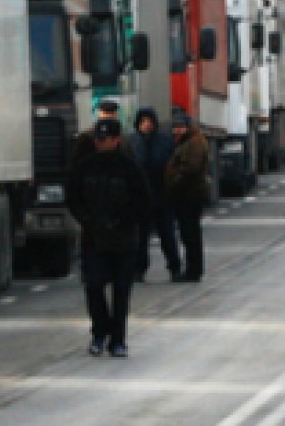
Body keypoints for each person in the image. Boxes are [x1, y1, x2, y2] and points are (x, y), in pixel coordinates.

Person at [66, 117, 152, 357]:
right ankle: (99, 332)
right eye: (98, 139)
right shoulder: (85, 167)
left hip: (123, 239)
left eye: (105, 139)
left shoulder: (129, 167)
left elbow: (142, 201)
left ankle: (118, 339)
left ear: (116, 140)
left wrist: (123, 221)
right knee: (93, 286)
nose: (100, 143)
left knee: (121, 291)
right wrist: (87, 219)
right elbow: (72, 197)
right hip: (94, 238)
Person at [126, 107, 179, 282]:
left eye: (149, 121)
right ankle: (138, 269)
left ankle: (174, 267)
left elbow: (173, 165)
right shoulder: (132, 142)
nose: (146, 125)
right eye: (143, 122)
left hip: (162, 195)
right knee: (140, 237)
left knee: (167, 235)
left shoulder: (164, 141)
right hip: (140, 197)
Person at [163, 113, 210, 283]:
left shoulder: (194, 143)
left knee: (190, 234)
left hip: (190, 195)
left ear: (188, 127)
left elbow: (190, 169)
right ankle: (192, 269)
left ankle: (194, 270)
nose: (178, 130)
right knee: (188, 233)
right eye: (175, 127)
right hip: (186, 195)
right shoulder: (185, 142)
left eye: (181, 127)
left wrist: (174, 182)